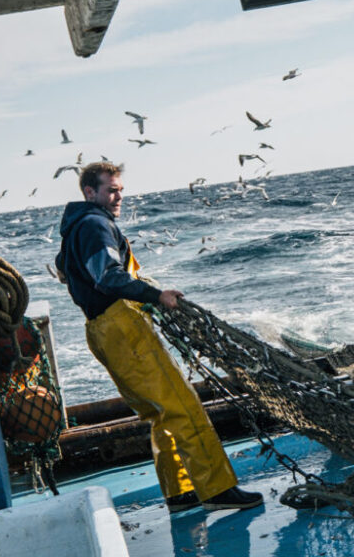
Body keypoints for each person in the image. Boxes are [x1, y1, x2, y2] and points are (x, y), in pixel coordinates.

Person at [55, 162, 262, 513]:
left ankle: (179, 491)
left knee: (158, 414)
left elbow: (63, 267)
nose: (118, 195)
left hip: (100, 330)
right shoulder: (94, 224)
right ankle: (216, 489)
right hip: (122, 325)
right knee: (183, 407)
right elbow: (107, 276)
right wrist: (156, 295)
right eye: (110, 189)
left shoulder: (74, 226)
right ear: (90, 192)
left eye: (119, 188)